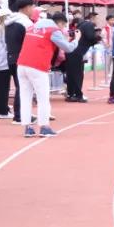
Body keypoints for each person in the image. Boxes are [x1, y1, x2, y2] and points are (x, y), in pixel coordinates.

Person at [16, 7, 77, 137]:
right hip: (37, 66)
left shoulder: (31, 28)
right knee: (42, 98)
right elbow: (68, 48)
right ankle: (44, 127)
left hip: (22, 64)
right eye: (63, 26)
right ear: (60, 23)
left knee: (25, 97)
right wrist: (77, 39)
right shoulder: (53, 30)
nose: (63, 29)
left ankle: (28, 128)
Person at [65, 11, 101, 102]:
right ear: (92, 18)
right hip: (77, 52)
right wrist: (98, 37)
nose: (98, 21)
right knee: (78, 75)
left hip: (71, 51)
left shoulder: (81, 24)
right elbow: (90, 37)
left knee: (71, 74)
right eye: (97, 19)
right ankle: (78, 95)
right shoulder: (89, 25)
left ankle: (70, 94)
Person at [0, 6, 11, 119]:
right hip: (2, 62)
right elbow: (7, 45)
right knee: (3, 87)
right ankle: (2, 110)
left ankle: (1, 108)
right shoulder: (4, 29)